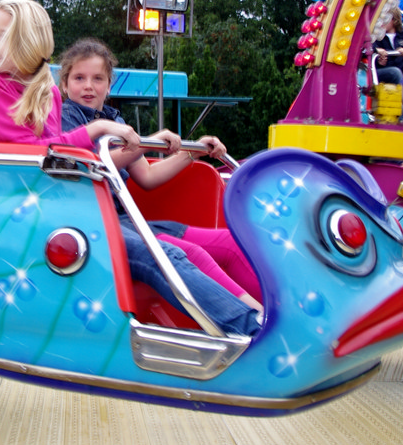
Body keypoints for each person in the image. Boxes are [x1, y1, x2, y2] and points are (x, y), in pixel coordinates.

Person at [0, 0, 261, 338]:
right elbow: (42, 157)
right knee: (168, 256)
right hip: (39, 214)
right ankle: (252, 328)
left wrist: (186, 153)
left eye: (2, 36)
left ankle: (268, 314)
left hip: (76, 210)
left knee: (219, 245)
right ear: (67, 81)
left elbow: (134, 173)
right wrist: (105, 133)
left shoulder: (49, 93)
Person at [57, 38, 262, 309]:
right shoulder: (65, 118)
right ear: (64, 84)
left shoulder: (115, 121)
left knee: (230, 243)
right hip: (92, 220)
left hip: (125, 218)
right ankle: (254, 317)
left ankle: (281, 310)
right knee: (191, 254)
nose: (88, 86)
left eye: (97, 78)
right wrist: (147, 142)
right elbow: (91, 164)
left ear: (108, 86)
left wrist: (192, 152)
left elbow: (147, 176)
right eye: (79, 78)